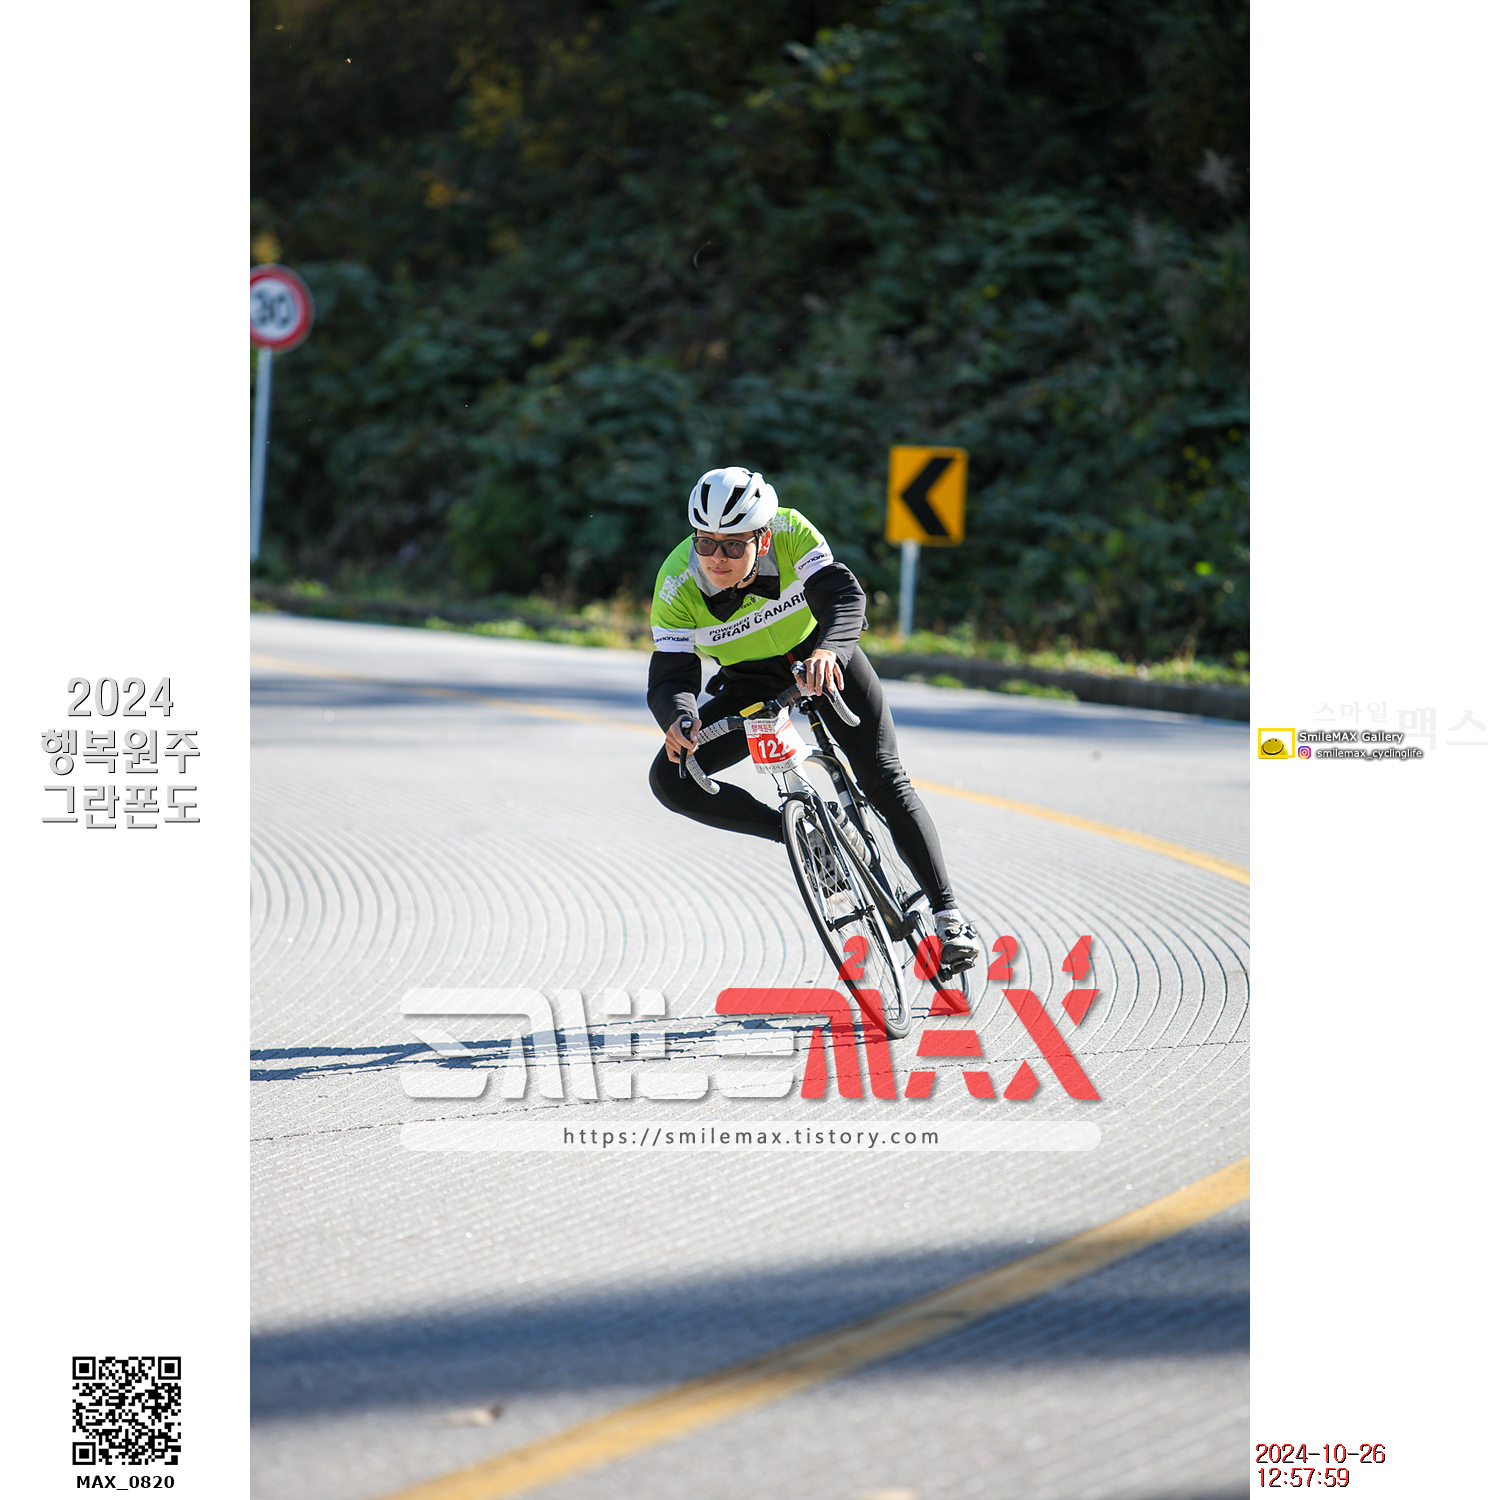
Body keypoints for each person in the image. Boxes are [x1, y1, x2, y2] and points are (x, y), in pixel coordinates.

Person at [646, 465, 984, 973]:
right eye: (706, 542)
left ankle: (949, 917)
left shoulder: (790, 530)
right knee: (671, 780)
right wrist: (678, 717)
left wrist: (830, 650)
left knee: (883, 777)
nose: (717, 557)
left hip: (820, 660)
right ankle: (804, 838)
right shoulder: (676, 582)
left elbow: (842, 597)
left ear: (761, 539)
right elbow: (672, 673)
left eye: (733, 545)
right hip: (750, 683)